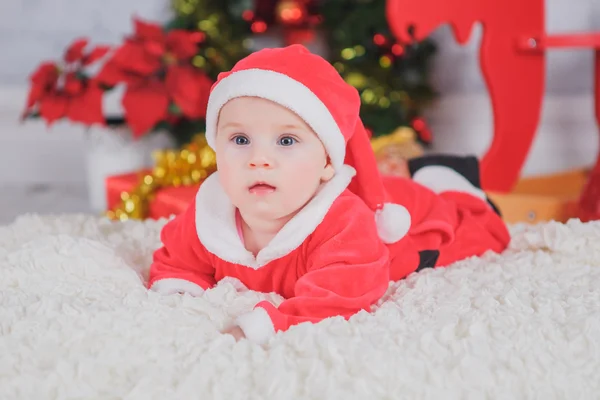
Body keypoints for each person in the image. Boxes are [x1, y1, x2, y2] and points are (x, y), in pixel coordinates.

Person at [147, 44, 510, 345]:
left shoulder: (342, 222)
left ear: (326, 164)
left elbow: (339, 297)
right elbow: (177, 260)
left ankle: (449, 180)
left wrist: (264, 326)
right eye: (240, 140)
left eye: (286, 140)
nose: (259, 159)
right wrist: (179, 293)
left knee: (477, 229)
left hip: (414, 213)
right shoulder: (209, 215)